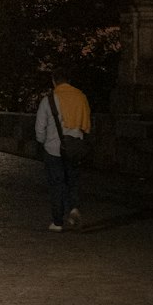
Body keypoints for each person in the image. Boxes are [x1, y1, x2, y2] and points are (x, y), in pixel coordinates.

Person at [35, 68, 91, 230]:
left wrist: (42, 141)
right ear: (69, 80)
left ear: (54, 81)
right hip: (75, 147)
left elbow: (40, 127)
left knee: (56, 184)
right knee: (72, 180)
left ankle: (57, 222)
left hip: (53, 149)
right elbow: (86, 123)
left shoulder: (49, 100)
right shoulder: (81, 97)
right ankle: (73, 208)